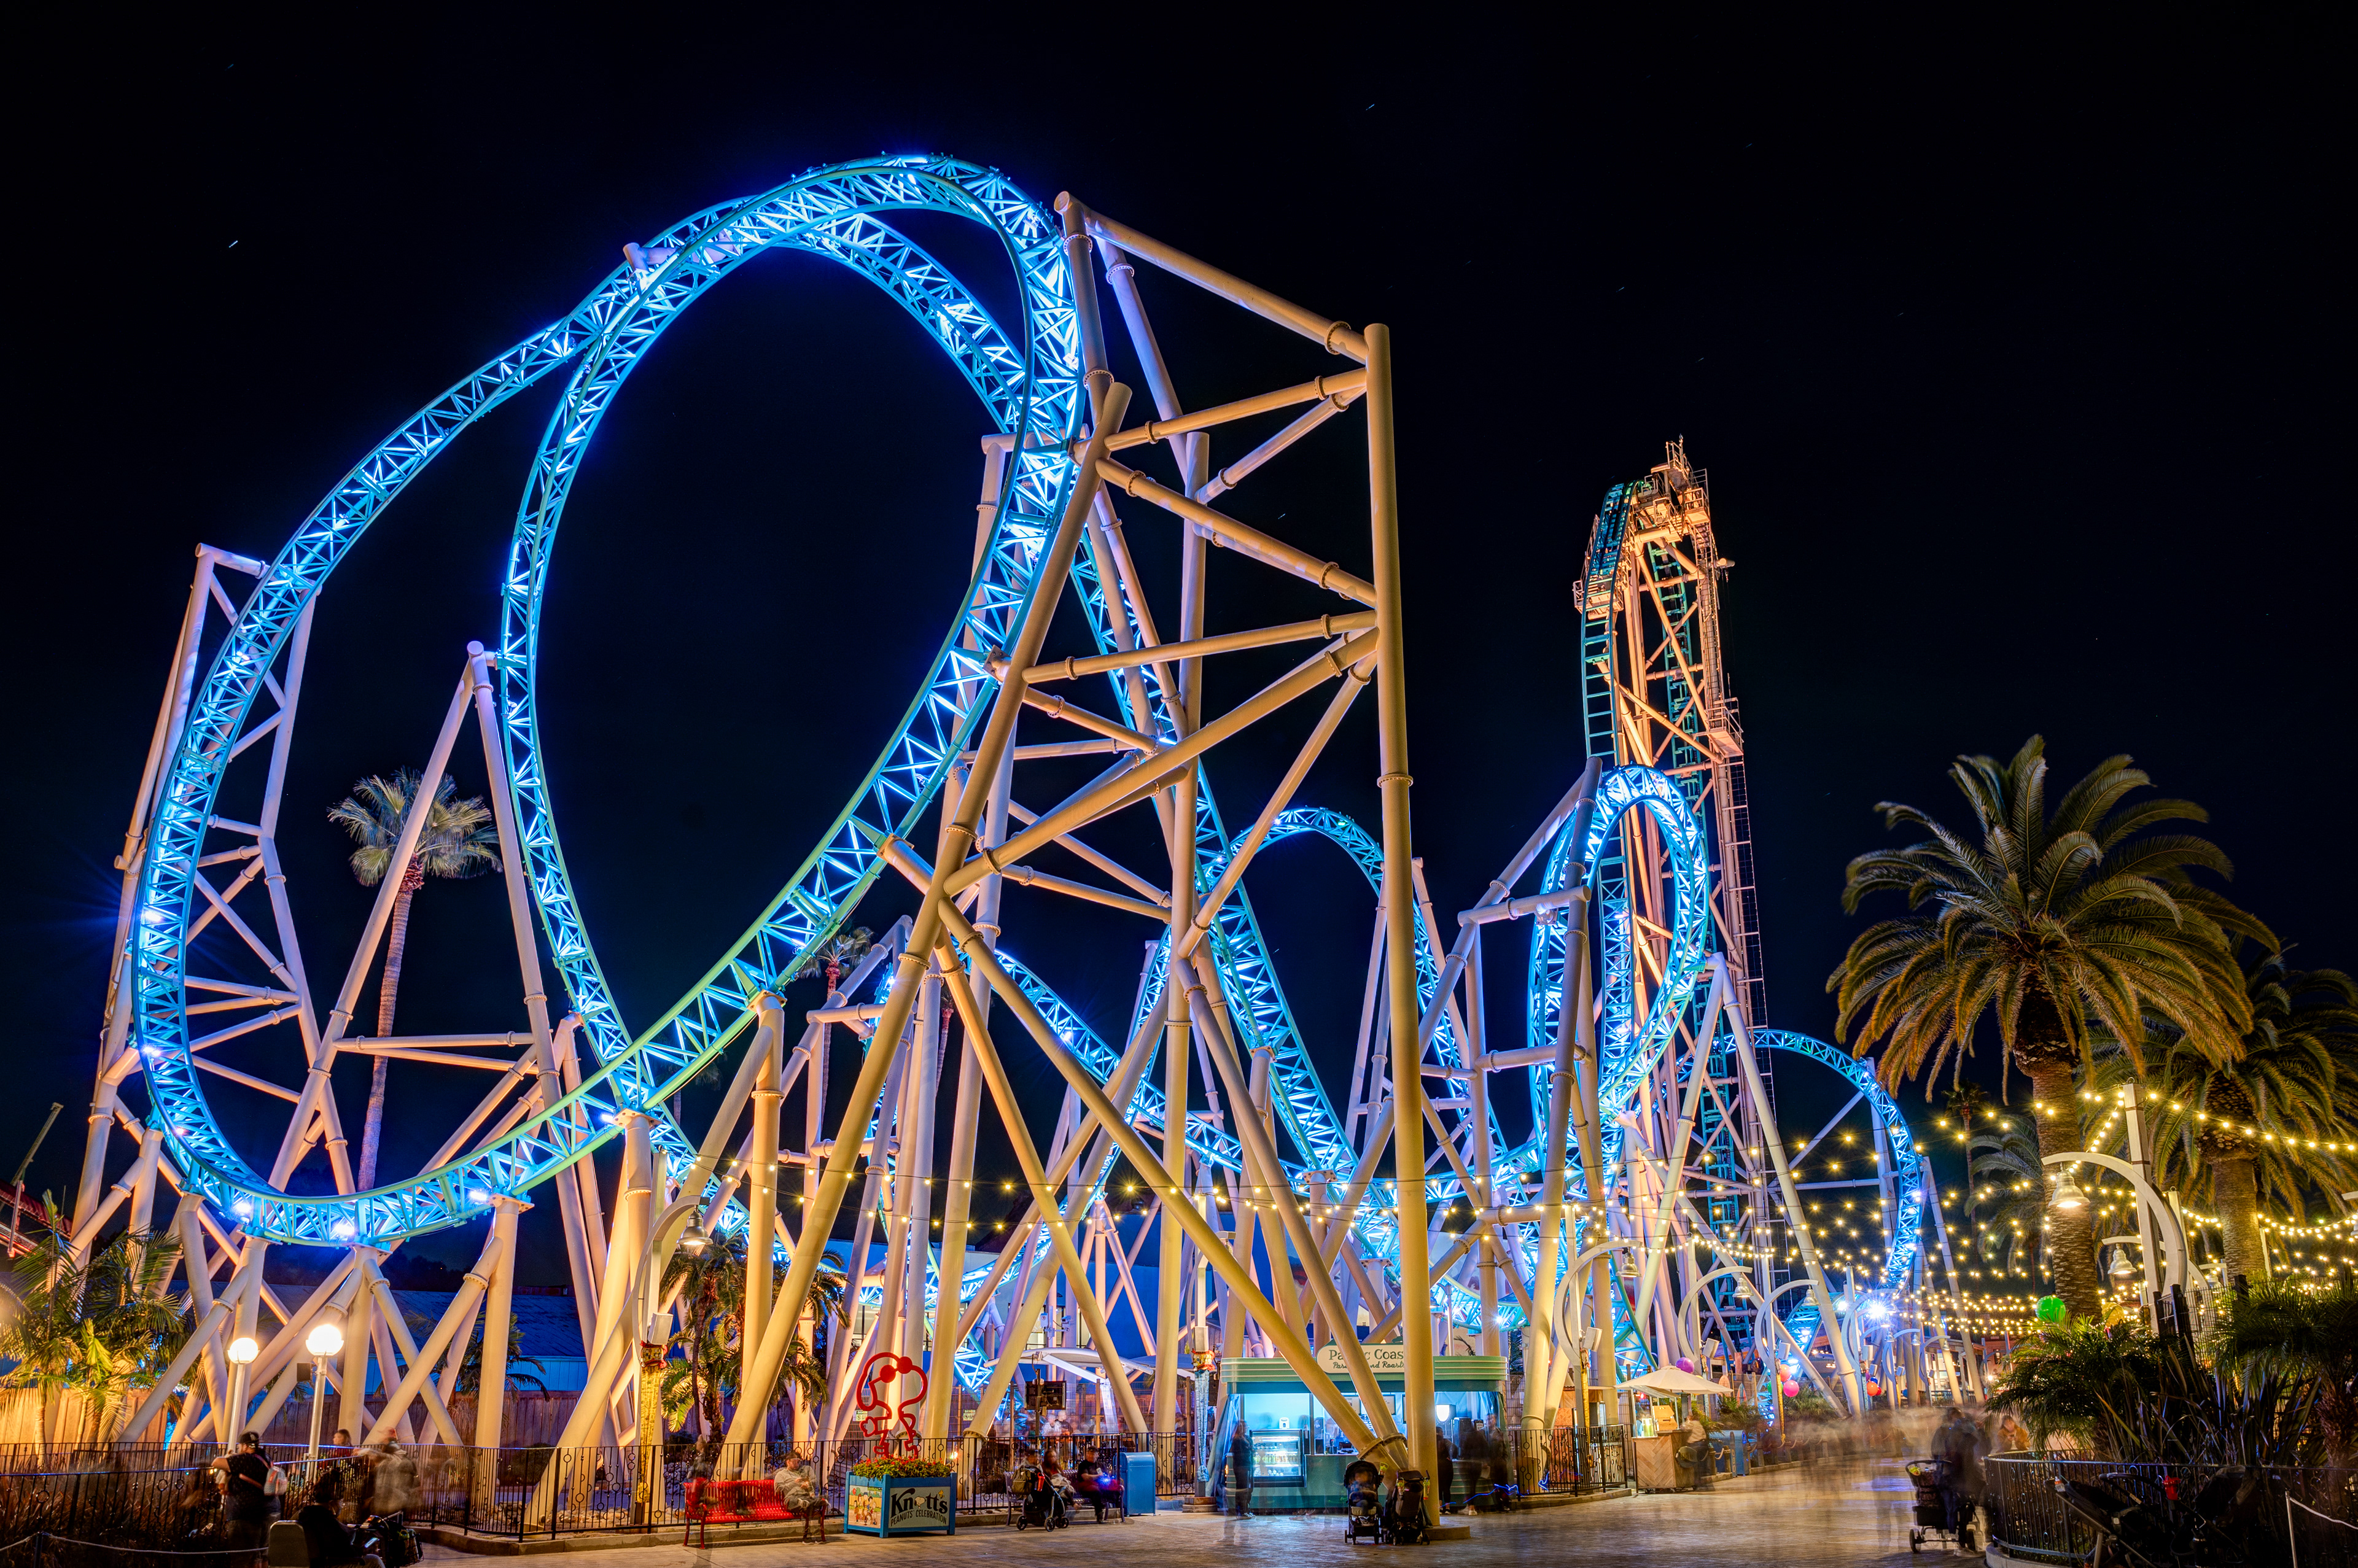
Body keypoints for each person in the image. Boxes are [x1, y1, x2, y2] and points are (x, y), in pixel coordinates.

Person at [296, 1473, 379, 1568]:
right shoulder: (327, 1521)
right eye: (340, 1502)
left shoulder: (304, 1515)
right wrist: (364, 1549)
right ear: (331, 1503)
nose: (341, 1506)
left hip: (309, 1563)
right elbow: (345, 1552)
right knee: (374, 1560)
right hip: (327, 1564)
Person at [1932, 1405, 1986, 1550]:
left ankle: (1962, 1538)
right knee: (1955, 1506)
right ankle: (1958, 1539)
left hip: (1964, 1477)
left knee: (1965, 1504)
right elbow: (1938, 1453)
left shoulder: (1965, 1436)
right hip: (1951, 1477)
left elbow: (1982, 1448)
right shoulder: (1947, 1433)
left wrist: (1981, 1431)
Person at [216, 1432, 272, 1547]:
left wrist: (230, 1457)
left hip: (245, 1514)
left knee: (242, 1556)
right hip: (266, 1511)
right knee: (260, 1554)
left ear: (245, 1446)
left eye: (240, 1446)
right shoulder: (266, 1457)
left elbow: (216, 1462)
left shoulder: (244, 1459)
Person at [1228, 1427, 1252, 1518]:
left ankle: (1242, 1510)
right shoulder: (1238, 1439)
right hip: (1242, 1466)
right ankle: (1242, 1511)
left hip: (1245, 1466)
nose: (1246, 1428)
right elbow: (1243, 1452)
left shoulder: (1243, 1438)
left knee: (1243, 1489)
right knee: (1243, 1489)